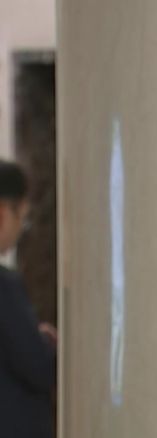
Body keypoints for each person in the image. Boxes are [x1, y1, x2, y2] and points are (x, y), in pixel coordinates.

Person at [0, 160, 57, 438]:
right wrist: (49, 344)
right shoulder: (4, 287)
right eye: (21, 217)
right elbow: (39, 367)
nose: (21, 229)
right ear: (2, 213)